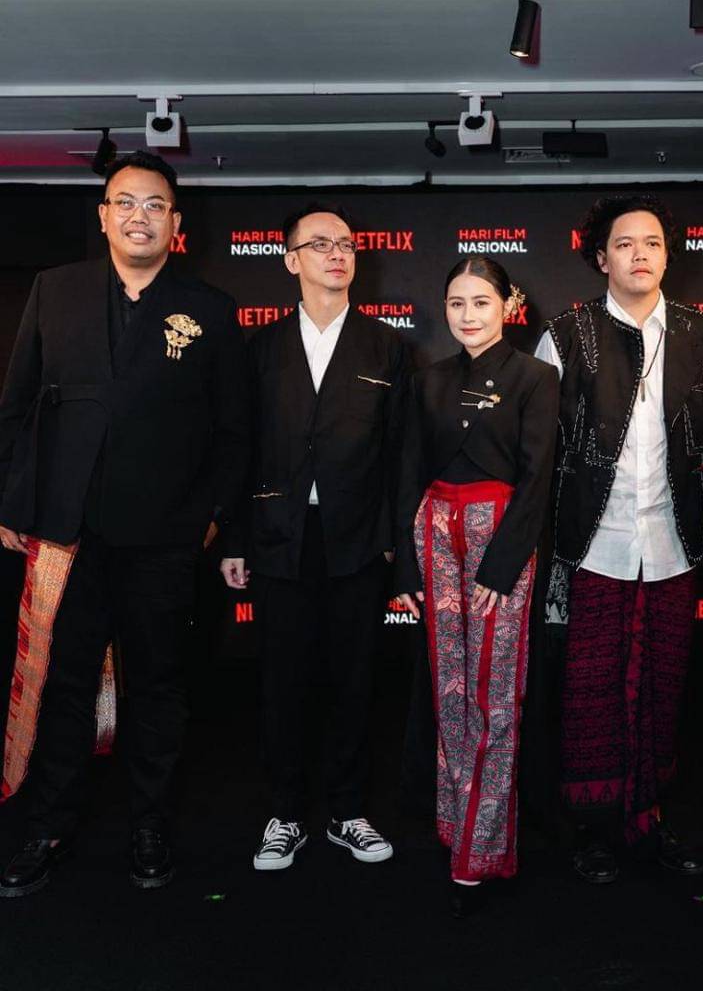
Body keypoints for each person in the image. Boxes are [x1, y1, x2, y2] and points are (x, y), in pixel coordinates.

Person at [0, 151, 249, 897]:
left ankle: (150, 824)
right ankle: (48, 826)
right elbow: (17, 405)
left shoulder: (210, 308)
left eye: (155, 205)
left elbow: (233, 432)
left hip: (164, 540)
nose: (140, 216)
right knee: (66, 684)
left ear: (176, 223)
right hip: (68, 532)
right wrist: (12, 503)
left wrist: (210, 519)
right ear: (104, 215)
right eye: (126, 203)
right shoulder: (56, 290)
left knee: (158, 687)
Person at [536, 193, 703, 885]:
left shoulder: (702, 334)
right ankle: (589, 831)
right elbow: (544, 450)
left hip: (671, 547)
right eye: (624, 244)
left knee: (661, 692)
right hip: (592, 546)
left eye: (652, 243)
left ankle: (649, 818)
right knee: (589, 695)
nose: (639, 255)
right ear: (600, 258)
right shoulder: (565, 334)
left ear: (667, 256)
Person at [220, 202, 407, 873]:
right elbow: (239, 448)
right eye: (320, 244)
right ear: (291, 259)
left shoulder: (387, 346)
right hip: (279, 537)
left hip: (358, 542)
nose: (337, 254)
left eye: (346, 244)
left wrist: (395, 546)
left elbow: (400, 455)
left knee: (354, 680)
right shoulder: (259, 348)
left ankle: (348, 810)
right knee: (283, 682)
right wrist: (235, 537)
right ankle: (286, 813)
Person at [396, 257, 558, 916]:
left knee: (495, 692)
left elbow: (539, 475)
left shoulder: (535, 377)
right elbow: (407, 471)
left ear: (508, 305)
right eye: (457, 303)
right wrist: (405, 567)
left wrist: (502, 565)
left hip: (500, 541)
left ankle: (482, 846)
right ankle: (452, 818)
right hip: (434, 534)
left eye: (482, 302)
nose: (468, 315)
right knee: (449, 688)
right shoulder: (428, 380)